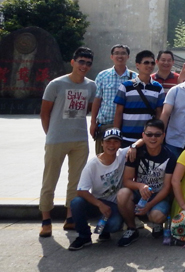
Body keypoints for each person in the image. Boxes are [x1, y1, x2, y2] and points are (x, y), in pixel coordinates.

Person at [39, 47, 97, 238]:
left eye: (88, 63)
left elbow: (89, 109)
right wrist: (51, 134)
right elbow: (44, 113)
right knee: (50, 179)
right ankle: (46, 220)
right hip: (56, 139)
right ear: (73, 62)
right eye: (81, 62)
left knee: (76, 181)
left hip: (80, 140)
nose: (84, 66)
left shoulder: (91, 86)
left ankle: (70, 217)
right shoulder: (56, 84)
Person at [116, 119, 176, 247]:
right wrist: (140, 186)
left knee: (156, 216)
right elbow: (127, 180)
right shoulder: (135, 152)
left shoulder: (170, 156)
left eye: (157, 135)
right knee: (122, 194)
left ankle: (157, 223)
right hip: (140, 193)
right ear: (143, 135)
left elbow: (167, 188)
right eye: (149, 134)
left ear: (163, 136)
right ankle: (132, 228)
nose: (153, 138)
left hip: (158, 195)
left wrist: (148, 206)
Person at [68, 128, 127, 250]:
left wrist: (134, 147)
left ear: (120, 144)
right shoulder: (92, 165)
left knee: (115, 225)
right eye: (108, 141)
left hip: (114, 204)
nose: (111, 145)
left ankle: (105, 230)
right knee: (76, 202)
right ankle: (84, 237)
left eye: (115, 142)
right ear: (102, 143)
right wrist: (100, 204)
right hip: (96, 202)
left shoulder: (121, 155)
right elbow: (81, 191)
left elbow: (142, 140)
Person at [89, 44, 136, 154]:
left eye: (123, 53)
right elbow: (97, 100)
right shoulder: (102, 76)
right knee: (102, 158)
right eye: (117, 53)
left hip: (126, 126)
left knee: (124, 158)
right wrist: (93, 122)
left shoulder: (135, 77)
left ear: (128, 56)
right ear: (112, 56)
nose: (120, 56)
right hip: (105, 125)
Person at [113, 50, 165, 147]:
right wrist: (116, 134)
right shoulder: (125, 86)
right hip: (126, 138)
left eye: (152, 63)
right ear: (137, 65)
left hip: (148, 139)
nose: (150, 65)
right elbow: (118, 112)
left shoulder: (158, 88)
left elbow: (159, 113)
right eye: (146, 62)